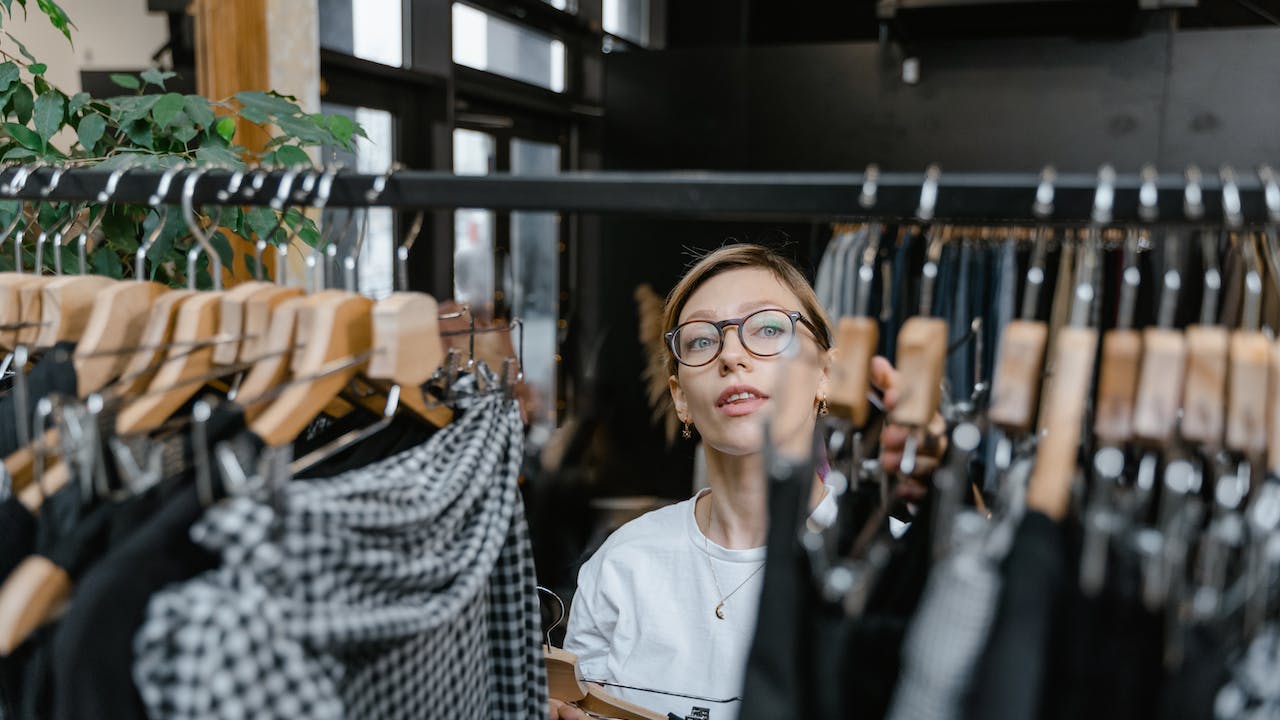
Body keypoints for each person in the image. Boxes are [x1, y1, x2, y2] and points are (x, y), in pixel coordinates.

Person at [550, 244, 943, 720]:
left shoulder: (886, 564)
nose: (732, 355)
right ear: (680, 397)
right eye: (701, 340)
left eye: (769, 329)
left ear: (826, 375)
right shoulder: (623, 564)